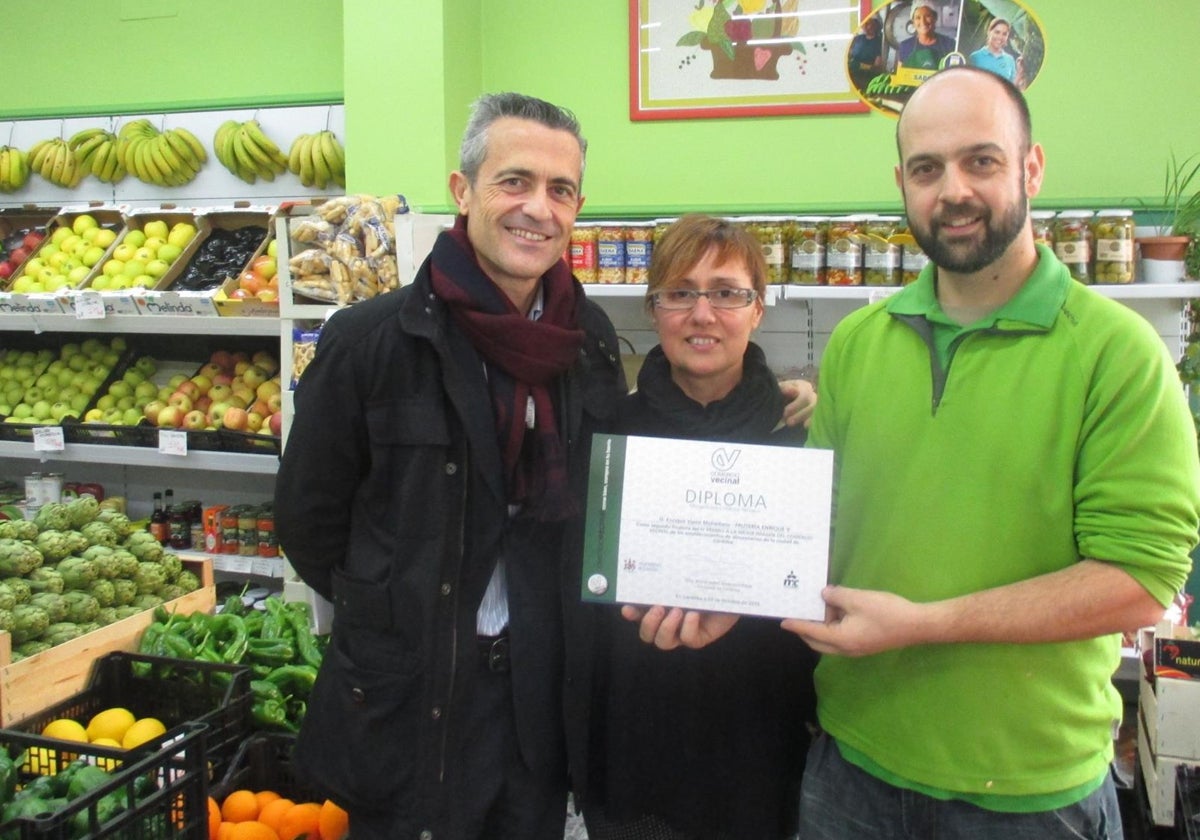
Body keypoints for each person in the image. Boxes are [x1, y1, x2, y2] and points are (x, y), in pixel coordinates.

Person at [780, 66, 1200, 838]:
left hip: (1030, 795)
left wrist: (923, 623)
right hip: (851, 769)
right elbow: (818, 532)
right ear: (902, 183)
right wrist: (717, 593)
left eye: (982, 160)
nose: (954, 191)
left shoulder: (1118, 354)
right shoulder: (857, 346)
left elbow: (1140, 581)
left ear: (1031, 167)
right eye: (927, 168)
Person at [274, 92, 628, 840]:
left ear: (578, 208)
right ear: (462, 191)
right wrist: (392, 610)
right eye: (515, 181)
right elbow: (308, 520)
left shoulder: (585, 339)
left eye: (560, 190)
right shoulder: (372, 342)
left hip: (537, 700)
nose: (539, 207)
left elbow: (615, 478)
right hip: (409, 700)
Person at [582, 215, 818, 840]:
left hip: (770, 748)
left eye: (726, 293)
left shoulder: (805, 437)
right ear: (654, 310)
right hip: (639, 753)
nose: (702, 314)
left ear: (758, 309)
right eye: (679, 293)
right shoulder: (610, 437)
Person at [896, 1, 957, 70]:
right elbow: (900, 75)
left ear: (935, 18)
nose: (923, 22)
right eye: (918, 18)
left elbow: (954, 74)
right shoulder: (905, 46)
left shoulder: (949, 44)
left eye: (927, 16)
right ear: (913, 22)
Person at [969, 18, 1017, 82]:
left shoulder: (1010, 60)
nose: (1000, 37)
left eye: (1004, 34)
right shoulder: (975, 57)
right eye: (997, 32)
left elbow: (1012, 87)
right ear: (989, 32)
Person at [848, 14, 884, 91]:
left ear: (875, 25)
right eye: (863, 23)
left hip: (867, 80)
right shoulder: (857, 39)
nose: (865, 26)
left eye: (868, 23)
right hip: (852, 77)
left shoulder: (880, 42)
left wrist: (861, 66)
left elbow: (877, 68)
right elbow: (849, 55)